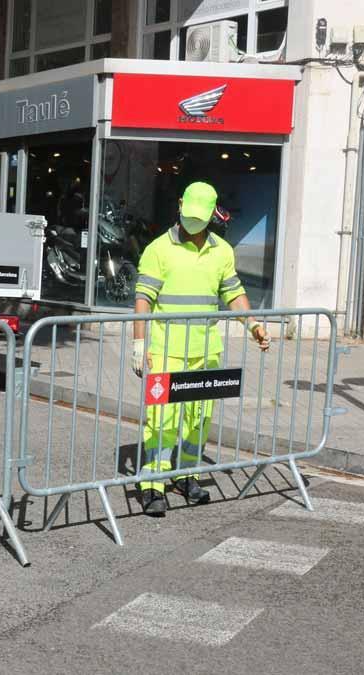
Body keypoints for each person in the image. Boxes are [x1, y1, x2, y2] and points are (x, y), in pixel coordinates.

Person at [131, 181, 270, 517]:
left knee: (198, 419)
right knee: (160, 420)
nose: (192, 221)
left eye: (200, 217)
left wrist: (252, 325)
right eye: (188, 214)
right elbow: (143, 298)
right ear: (179, 205)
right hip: (166, 351)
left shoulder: (222, 250)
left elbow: (233, 293)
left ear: (212, 214)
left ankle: (188, 476)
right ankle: (153, 484)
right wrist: (139, 343)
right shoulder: (158, 249)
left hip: (206, 351)